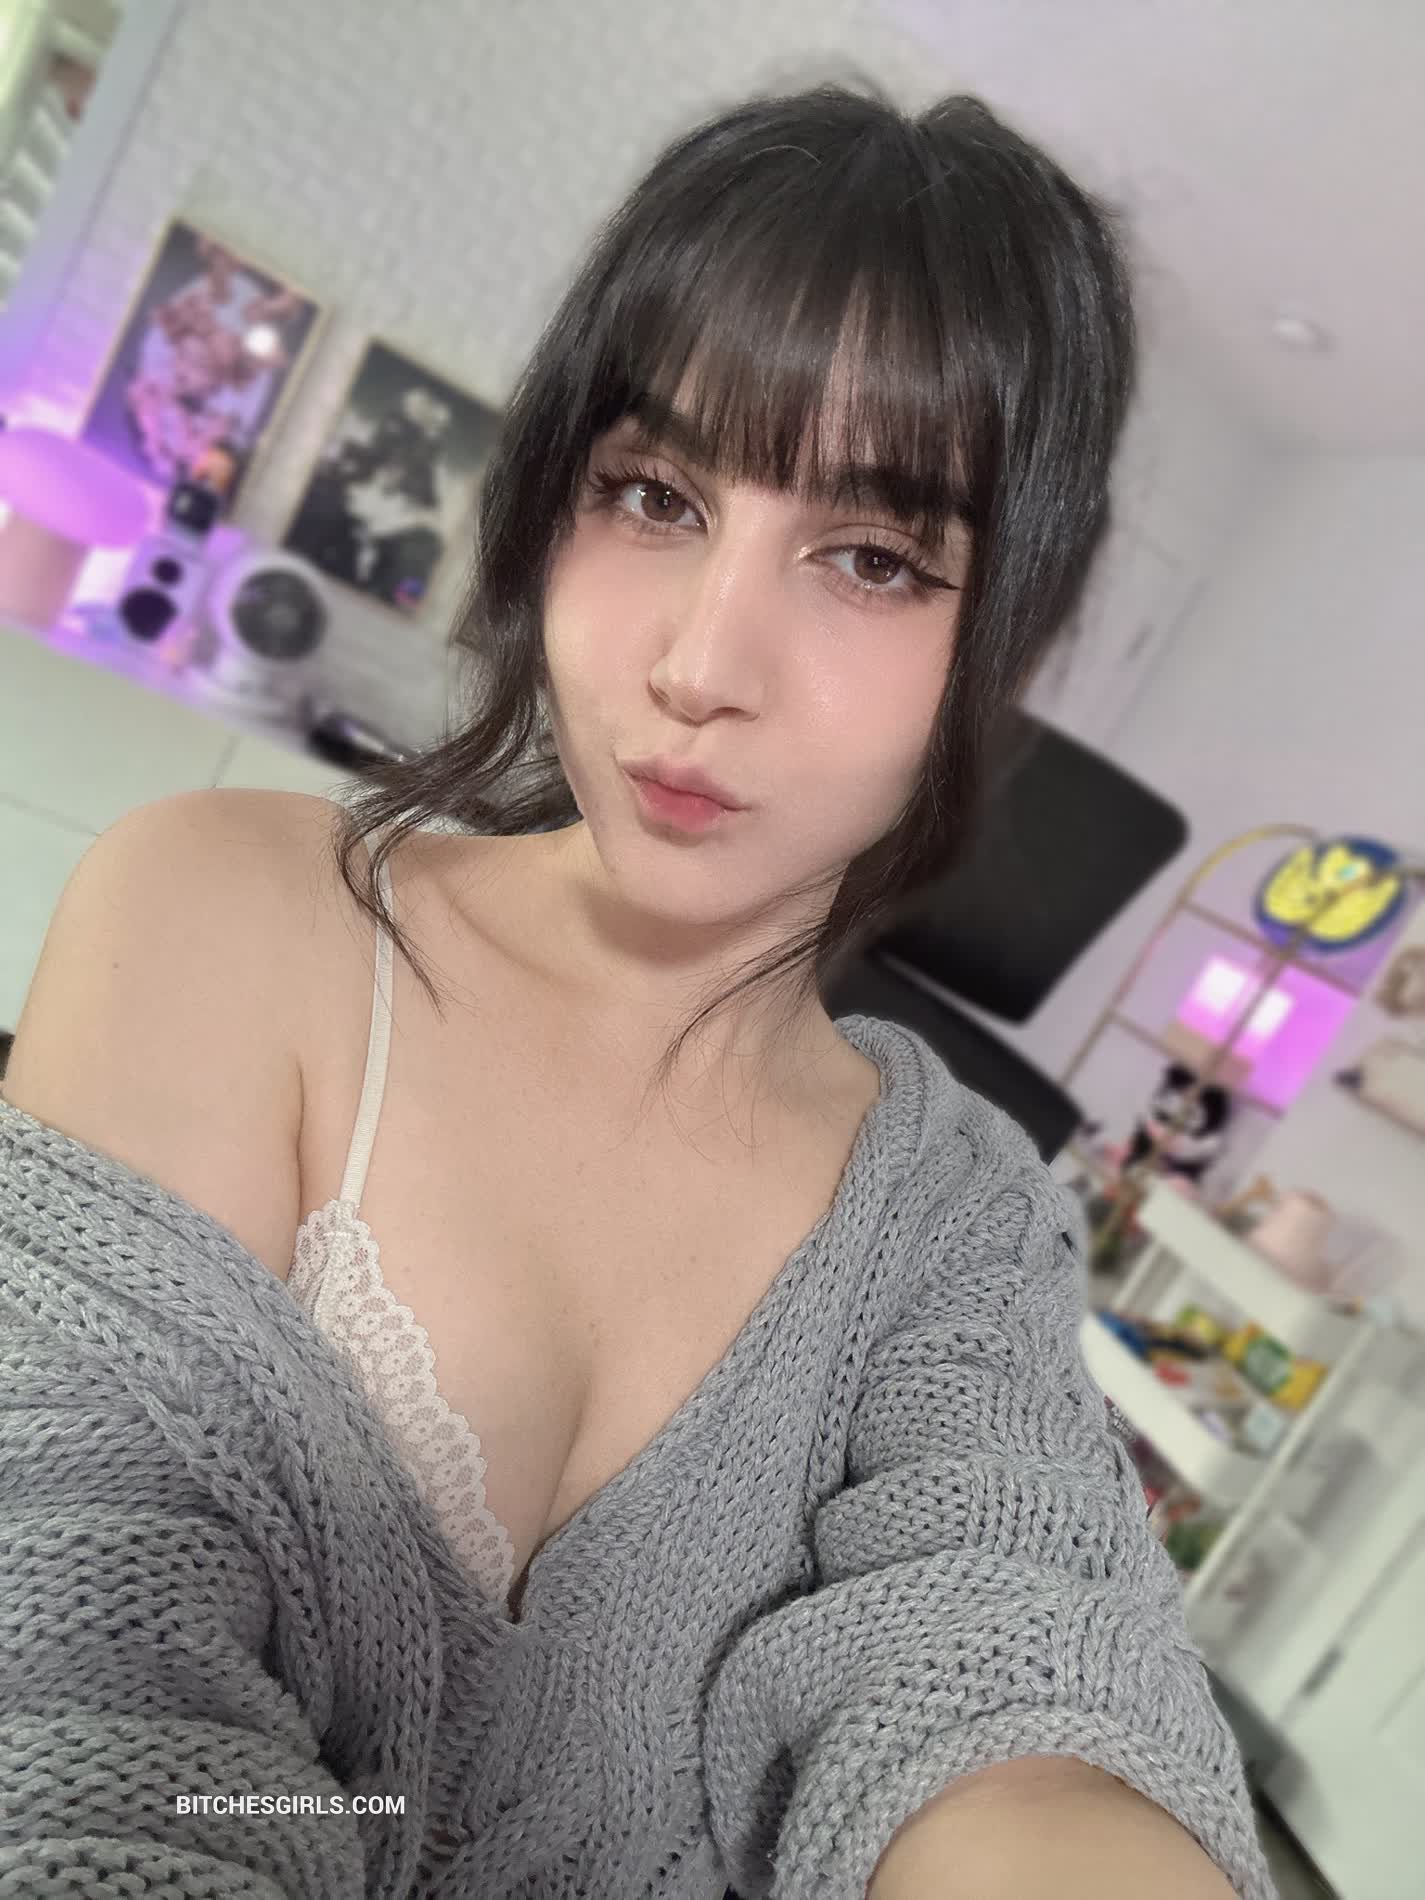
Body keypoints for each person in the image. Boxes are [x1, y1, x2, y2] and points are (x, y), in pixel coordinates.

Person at [0, 78, 1278, 1900]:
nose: (699, 663)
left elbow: (1015, 1678)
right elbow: (73, 1685)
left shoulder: (956, 1216)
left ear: (1003, 643)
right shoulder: (227, 915)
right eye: (654, 495)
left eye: (871, 558)